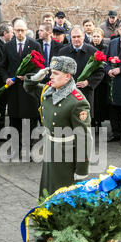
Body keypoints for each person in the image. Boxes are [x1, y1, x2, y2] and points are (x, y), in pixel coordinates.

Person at [24, 56, 92, 197]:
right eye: (51, 72)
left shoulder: (77, 101)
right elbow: (28, 87)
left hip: (65, 155)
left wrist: (81, 170)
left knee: (62, 195)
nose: (51, 77)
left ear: (67, 77)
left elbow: (83, 138)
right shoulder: (49, 91)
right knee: (47, 189)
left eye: (56, 73)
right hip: (50, 147)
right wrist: (36, 77)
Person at [0, 19, 42, 157]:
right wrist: (6, 78)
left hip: (29, 89)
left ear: (26, 29)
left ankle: (29, 148)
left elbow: (40, 66)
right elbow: (3, 66)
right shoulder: (7, 46)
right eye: (17, 30)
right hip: (14, 90)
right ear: (13, 31)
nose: (19, 33)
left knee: (30, 121)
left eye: (22, 30)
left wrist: (29, 76)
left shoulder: (34, 45)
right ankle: (16, 148)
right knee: (15, 119)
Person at [58, 25, 105, 123]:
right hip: (66, 94)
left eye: (78, 36)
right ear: (70, 37)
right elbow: (57, 72)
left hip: (85, 93)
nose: (76, 39)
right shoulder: (63, 52)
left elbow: (100, 72)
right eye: (73, 37)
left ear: (84, 36)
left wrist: (88, 82)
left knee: (84, 122)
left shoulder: (92, 51)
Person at [91, 27, 108, 130]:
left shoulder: (105, 47)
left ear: (102, 37)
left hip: (102, 79)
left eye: (98, 36)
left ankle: (99, 121)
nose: (96, 38)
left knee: (100, 101)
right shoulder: (89, 47)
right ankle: (93, 121)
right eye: (94, 36)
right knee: (93, 101)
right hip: (92, 78)